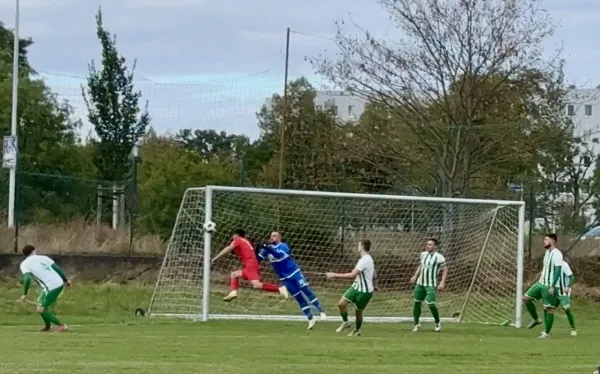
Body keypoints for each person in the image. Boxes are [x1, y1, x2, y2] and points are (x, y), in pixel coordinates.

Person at [257, 231, 326, 329]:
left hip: (294, 273)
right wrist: (257, 249)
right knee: (298, 297)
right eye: (271, 236)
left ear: (279, 237)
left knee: (306, 290)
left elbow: (278, 255)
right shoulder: (267, 249)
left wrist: (266, 247)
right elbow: (258, 259)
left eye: (274, 236)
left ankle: (321, 311)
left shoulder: (284, 246)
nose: (272, 237)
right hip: (284, 278)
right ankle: (310, 318)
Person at [212, 229, 288, 301]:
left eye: (233, 236)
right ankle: (233, 292)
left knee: (256, 285)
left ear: (236, 235)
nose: (232, 238)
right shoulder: (245, 241)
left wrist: (216, 257)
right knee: (234, 274)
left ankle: (280, 289)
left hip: (250, 265)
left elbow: (229, 248)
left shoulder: (238, 240)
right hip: (251, 264)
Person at [326, 239, 375, 337]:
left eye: (358, 245)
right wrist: (375, 283)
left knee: (358, 311)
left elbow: (353, 274)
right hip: (356, 287)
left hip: (365, 291)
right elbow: (374, 272)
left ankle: (357, 330)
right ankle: (346, 322)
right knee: (341, 304)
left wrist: (334, 275)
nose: (357, 246)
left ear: (362, 246)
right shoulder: (365, 259)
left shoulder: (365, 260)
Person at [18, 245, 70, 332]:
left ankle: (62, 326)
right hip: (55, 284)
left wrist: (24, 294)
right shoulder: (44, 258)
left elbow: (27, 278)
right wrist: (66, 280)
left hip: (52, 286)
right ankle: (47, 326)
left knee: (41, 309)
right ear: (34, 251)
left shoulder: (24, 264)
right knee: (40, 306)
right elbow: (57, 269)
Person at [522, 233, 563, 339]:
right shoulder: (547, 252)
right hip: (540, 283)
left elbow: (558, 271)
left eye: (546, 239)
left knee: (548, 309)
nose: (544, 241)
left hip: (549, 285)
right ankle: (536, 320)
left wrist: (552, 286)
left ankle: (546, 333)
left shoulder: (557, 254)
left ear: (553, 241)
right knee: (526, 298)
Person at [410, 238, 447, 332]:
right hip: (420, 283)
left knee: (430, 303)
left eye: (430, 244)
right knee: (417, 302)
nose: (427, 246)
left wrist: (442, 282)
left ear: (435, 246)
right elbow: (421, 265)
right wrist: (415, 275)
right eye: (427, 244)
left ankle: (437, 322)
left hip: (431, 284)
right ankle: (416, 323)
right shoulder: (423, 254)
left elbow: (445, 269)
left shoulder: (439, 257)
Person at [554, 255, 576, 336]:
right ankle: (546, 330)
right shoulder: (552, 265)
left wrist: (568, 286)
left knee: (566, 309)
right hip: (554, 291)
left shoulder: (564, 265)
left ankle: (573, 329)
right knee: (549, 309)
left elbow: (572, 277)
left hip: (563, 291)